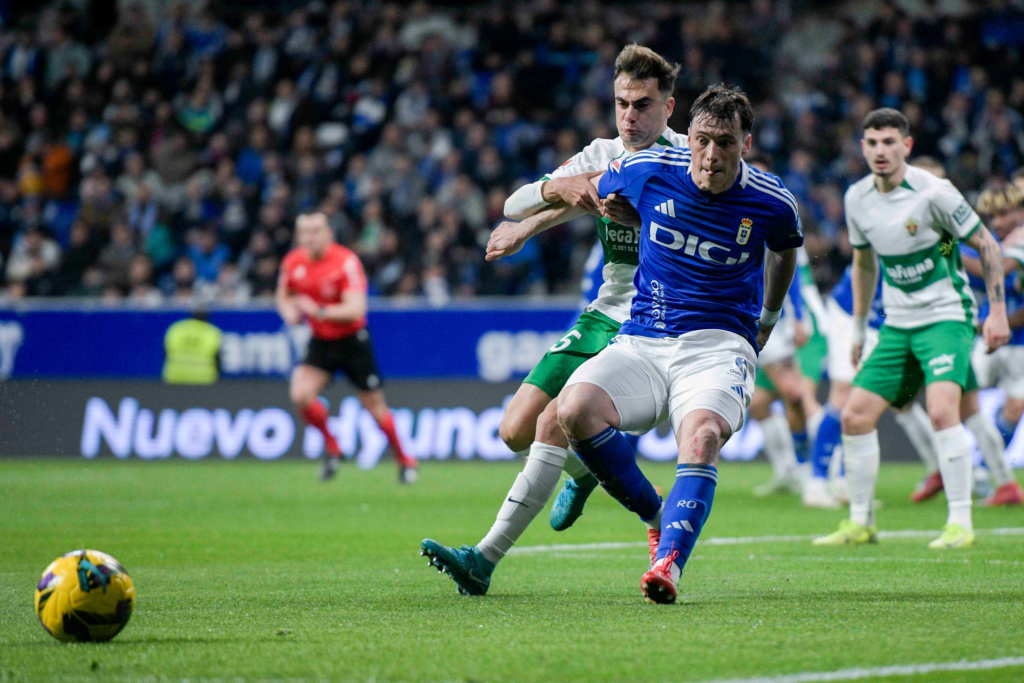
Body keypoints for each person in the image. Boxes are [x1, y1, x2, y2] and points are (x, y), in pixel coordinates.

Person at [420, 45, 687, 597]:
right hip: (604, 311)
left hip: (656, 320)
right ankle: (587, 470)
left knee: (550, 425)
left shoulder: (688, 160)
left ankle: (483, 560)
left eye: (643, 104)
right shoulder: (602, 152)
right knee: (513, 429)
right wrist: (547, 199)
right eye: (621, 104)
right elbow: (517, 203)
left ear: (669, 107)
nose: (630, 116)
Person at [557, 84, 803, 604]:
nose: (712, 156)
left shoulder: (772, 200)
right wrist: (524, 227)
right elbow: (581, 191)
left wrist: (771, 316)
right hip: (645, 336)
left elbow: (785, 253)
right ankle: (655, 510)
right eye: (703, 140)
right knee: (574, 409)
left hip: (719, 345)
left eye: (726, 143)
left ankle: (668, 562)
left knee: (703, 436)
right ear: (687, 137)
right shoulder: (649, 169)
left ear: (746, 144)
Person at [814, 109, 1009, 550]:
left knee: (945, 410)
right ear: (862, 148)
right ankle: (860, 522)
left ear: (907, 145)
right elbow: (864, 263)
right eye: (872, 143)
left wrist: (996, 312)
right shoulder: (857, 199)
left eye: (889, 142)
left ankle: (960, 521)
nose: (881, 151)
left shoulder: (935, 192)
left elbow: (984, 242)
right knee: (855, 415)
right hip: (897, 324)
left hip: (946, 317)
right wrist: (861, 329)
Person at [276, 212, 417, 483]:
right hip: (321, 342)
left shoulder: (345, 262)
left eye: (316, 230)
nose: (310, 237)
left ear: (329, 232)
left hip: (352, 341)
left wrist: (317, 311)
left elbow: (356, 308)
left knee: (374, 406)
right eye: (305, 232)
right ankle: (333, 446)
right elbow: (283, 294)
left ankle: (405, 460)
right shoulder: (293, 262)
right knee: (300, 394)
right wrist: (288, 313)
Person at [959, 184, 1024, 506]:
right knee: (958, 398)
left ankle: (986, 472)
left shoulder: (1017, 243)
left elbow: (1001, 268)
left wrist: (953, 248)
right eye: (991, 216)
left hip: (1014, 340)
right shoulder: (987, 244)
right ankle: (958, 469)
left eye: (1005, 213)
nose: (997, 222)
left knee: (1014, 409)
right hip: (985, 338)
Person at [162, 309, 221, 385]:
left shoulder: (176, 328)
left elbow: (165, 353)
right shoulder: (212, 332)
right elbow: (217, 358)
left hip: (175, 375)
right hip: (203, 377)